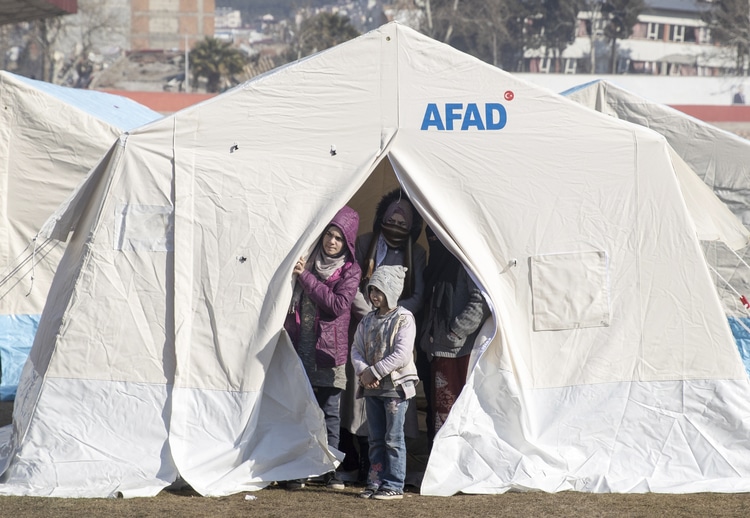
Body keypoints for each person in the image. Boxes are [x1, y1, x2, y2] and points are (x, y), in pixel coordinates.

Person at [339, 188, 426, 484]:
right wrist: (373, 316)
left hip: (397, 332)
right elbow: (354, 288)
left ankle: (392, 474)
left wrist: (392, 316)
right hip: (365, 331)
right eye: (391, 220)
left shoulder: (417, 253)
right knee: (362, 401)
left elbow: (417, 295)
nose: (396, 227)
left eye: (403, 223)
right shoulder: (366, 243)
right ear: (381, 218)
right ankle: (364, 464)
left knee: (393, 412)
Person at [283, 205, 361, 490]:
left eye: (339, 238)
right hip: (300, 348)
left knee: (329, 412)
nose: (332, 241)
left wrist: (307, 278)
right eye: (329, 234)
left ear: (347, 242)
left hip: (330, 353)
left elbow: (339, 306)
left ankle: (329, 470)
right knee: (302, 408)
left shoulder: (350, 271)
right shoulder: (309, 259)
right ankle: (301, 467)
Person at [350, 265, 419, 500]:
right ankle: (376, 480)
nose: (374, 296)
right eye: (371, 290)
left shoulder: (404, 318)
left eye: (379, 290)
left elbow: (402, 354)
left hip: (395, 389)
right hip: (372, 389)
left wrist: (375, 371)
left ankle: (394, 484)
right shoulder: (367, 320)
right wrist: (364, 372)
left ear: (391, 291)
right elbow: (356, 349)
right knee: (376, 438)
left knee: (393, 438)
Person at [419, 226, 491, 444]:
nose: (433, 239)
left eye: (437, 235)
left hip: (459, 353)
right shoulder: (436, 265)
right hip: (436, 351)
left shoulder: (463, 264)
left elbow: (481, 301)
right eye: (430, 235)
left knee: (455, 416)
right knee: (440, 415)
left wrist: (455, 331)